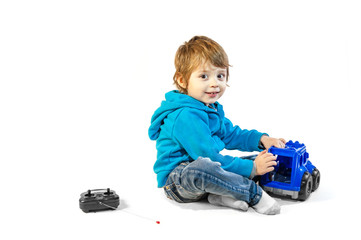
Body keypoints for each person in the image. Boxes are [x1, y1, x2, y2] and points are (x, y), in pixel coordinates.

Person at [148, 36, 286, 215]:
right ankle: (253, 194)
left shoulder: (209, 108)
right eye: (204, 76)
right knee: (204, 168)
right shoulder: (185, 116)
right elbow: (208, 157)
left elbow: (230, 134)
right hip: (179, 180)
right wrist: (252, 169)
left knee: (264, 158)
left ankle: (219, 195)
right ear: (182, 81)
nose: (214, 83)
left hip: (209, 172)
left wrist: (262, 139)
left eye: (220, 75)